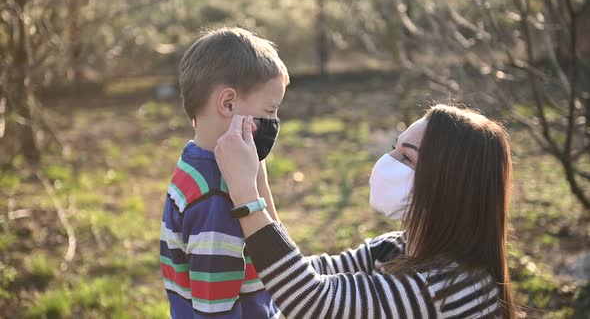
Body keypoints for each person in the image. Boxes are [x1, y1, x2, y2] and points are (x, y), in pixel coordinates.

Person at [214, 104, 517, 318]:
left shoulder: (446, 290)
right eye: (395, 148)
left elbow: (312, 302)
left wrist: (245, 194)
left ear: (448, 183)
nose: (387, 161)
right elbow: (301, 274)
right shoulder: (396, 248)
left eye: (407, 157)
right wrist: (257, 173)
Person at [159, 27, 289, 318]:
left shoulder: (194, 164)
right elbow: (214, 309)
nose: (274, 121)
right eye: (270, 110)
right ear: (228, 103)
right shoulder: (216, 197)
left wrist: (258, 179)